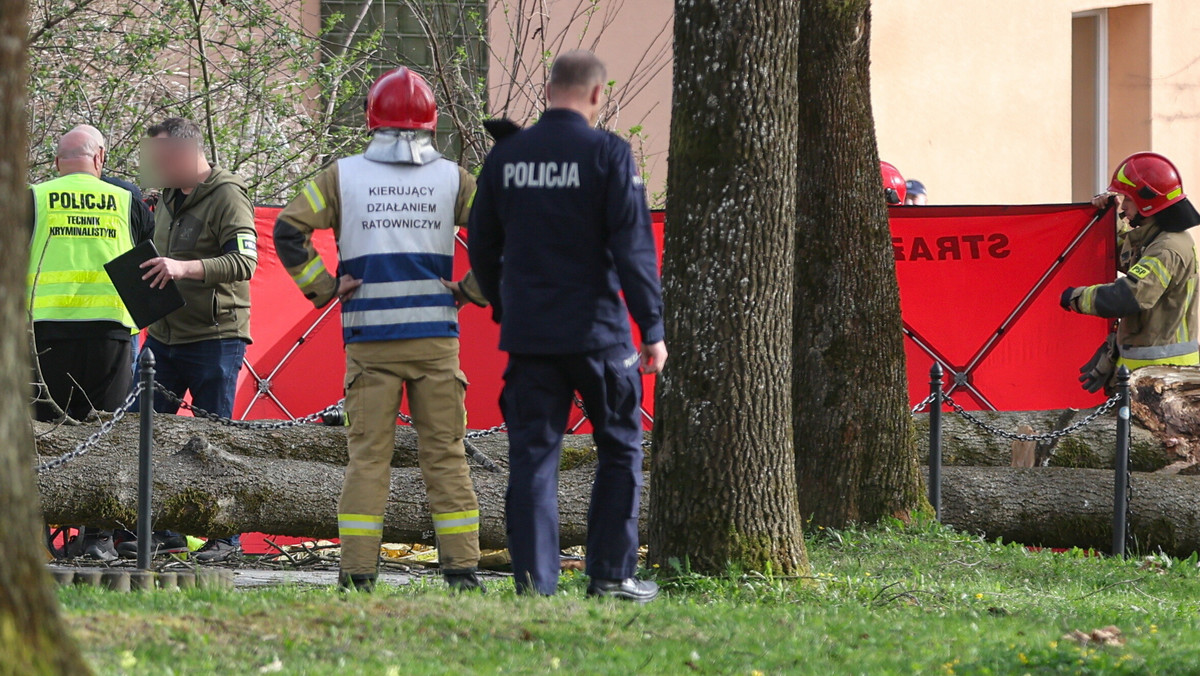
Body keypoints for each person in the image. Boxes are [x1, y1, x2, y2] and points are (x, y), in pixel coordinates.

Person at [274, 67, 488, 593]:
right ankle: (461, 572)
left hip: (370, 343)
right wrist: (470, 291)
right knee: (446, 455)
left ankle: (357, 575)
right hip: (436, 339)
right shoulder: (455, 179)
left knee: (369, 458)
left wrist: (324, 287)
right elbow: (503, 233)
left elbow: (287, 229)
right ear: (431, 124)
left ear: (372, 120)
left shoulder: (341, 177)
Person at [468, 50, 667, 602]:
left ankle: (535, 583)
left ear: (548, 89)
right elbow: (633, 247)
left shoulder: (508, 156)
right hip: (599, 334)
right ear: (598, 95)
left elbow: (481, 244)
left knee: (533, 456)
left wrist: (507, 307)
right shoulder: (608, 153)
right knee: (621, 448)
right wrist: (652, 327)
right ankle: (609, 574)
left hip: (531, 338)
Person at [132, 117, 258, 562]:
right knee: (143, 432)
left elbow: (245, 262)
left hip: (214, 338)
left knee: (213, 441)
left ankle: (225, 539)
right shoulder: (166, 197)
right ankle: (160, 531)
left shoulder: (227, 195)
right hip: (163, 337)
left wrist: (184, 268)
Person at [27, 128, 153, 561]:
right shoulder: (126, 200)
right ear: (99, 158)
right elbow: (144, 256)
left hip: (44, 335)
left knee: (41, 436)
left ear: (57, 160)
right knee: (104, 434)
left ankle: (36, 537)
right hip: (110, 335)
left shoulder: (35, 197)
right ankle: (98, 538)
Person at [1061, 152, 1200, 392]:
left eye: (1128, 200)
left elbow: (1131, 295)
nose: (1124, 206)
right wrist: (1109, 221)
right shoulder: (1157, 239)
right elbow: (1128, 258)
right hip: (1148, 374)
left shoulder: (1167, 248)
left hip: (1162, 380)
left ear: (1148, 202)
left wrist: (1077, 298)